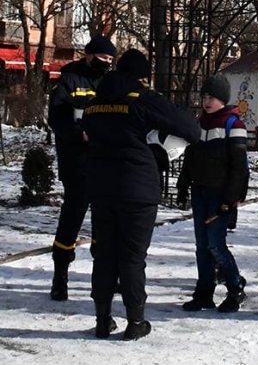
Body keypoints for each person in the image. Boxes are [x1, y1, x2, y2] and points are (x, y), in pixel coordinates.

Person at [82, 49, 200, 341]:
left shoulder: (94, 104)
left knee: (105, 255)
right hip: (137, 190)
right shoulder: (142, 101)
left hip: (101, 189)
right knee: (132, 259)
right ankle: (135, 322)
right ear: (142, 76)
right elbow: (191, 130)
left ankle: (102, 320)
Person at [47, 34, 116, 302]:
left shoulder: (108, 82)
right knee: (72, 218)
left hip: (103, 161)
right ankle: (60, 275)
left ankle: (105, 276)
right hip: (76, 162)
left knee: (104, 221)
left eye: (111, 59)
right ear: (88, 55)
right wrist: (80, 134)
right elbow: (57, 118)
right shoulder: (69, 79)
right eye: (102, 58)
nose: (106, 63)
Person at [176, 73, 249, 313]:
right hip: (200, 191)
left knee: (216, 244)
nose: (207, 101)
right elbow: (190, 156)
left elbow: (239, 167)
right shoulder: (199, 122)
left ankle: (235, 288)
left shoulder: (233, 124)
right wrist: (183, 184)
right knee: (202, 245)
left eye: (212, 97)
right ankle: (204, 292)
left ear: (223, 99)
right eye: (204, 96)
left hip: (221, 195)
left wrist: (231, 199)